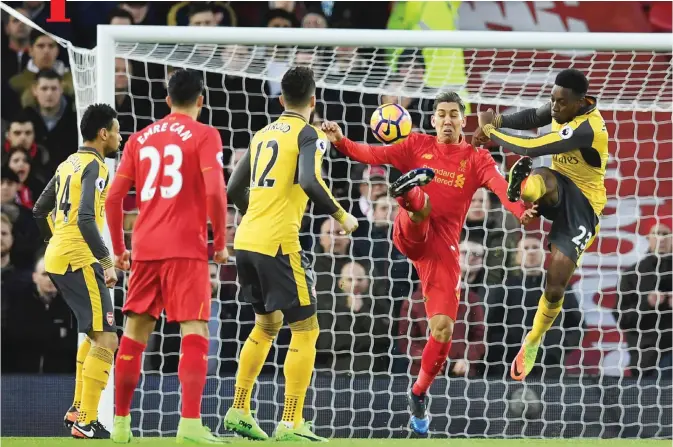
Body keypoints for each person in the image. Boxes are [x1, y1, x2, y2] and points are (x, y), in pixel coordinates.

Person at [321, 91, 536, 435]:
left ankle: (418, 393)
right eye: (442, 114)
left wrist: (521, 211)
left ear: (462, 120)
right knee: (420, 206)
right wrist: (339, 140)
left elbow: (501, 188)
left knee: (443, 330)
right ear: (433, 120)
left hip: (443, 250)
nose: (448, 120)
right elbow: (371, 152)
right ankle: (409, 192)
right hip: (412, 232)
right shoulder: (414, 144)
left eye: (454, 114)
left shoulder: (476, 157)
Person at [223, 66, 357, 441]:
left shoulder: (262, 132)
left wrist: (257, 214)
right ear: (313, 101)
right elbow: (312, 182)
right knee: (307, 329)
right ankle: (291, 421)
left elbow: (233, 187)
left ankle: (239, 409)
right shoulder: (308, 133)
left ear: (281, 99)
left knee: (267, 326)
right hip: (280, 243)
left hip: (246, 241)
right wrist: (342, 216)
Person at [104, 69, 229, 444]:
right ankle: (189, 424)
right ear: (201, 101)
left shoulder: (139, 138)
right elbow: (215, 192)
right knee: (195, 329)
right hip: (186, 250)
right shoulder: (206, 134)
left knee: (134, 334)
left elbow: (112, 198)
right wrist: (219, 242)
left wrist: (120, 249)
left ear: (166, 100)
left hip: (144, 249)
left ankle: (121, 425)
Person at [476, 68, 609, 381]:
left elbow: (534, 147)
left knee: (555, 283)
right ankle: (521, 188)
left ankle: (533, 340)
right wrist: (498, 121)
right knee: (543, 178)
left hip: (584, 207)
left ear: (580, 102)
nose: (555, 107)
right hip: (559, 187)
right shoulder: (560, 108)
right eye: (553, 100)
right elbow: (529, 118)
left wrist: (490, 133)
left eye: (561, 103)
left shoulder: (589, 128)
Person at [33, 103, 122, 439]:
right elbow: (85, 218)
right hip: (79, 259)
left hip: (59, 256)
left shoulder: (68, 162)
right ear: (103, 134)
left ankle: (77, 410)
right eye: (115, 130)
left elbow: (40, 210)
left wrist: (55, 242)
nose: (118, 136)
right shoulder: (97, 167)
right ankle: (86, 420)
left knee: (93, 333)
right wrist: (106, 261)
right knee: (108, 337)